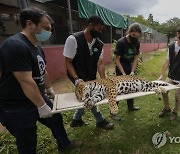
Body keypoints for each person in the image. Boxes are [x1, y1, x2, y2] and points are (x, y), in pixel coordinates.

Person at [0, 7, 82, 153]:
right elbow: (25, 81)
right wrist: (41, 105)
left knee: (55, 119)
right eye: (45, 28)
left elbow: (42, 69)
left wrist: (49, 89)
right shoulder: (16, 46)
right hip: (17, 105)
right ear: (30, 24)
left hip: (36, 97)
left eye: (50, 28)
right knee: (27, 139)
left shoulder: (36, 47)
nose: (49, 32)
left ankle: (64, 145)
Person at [63, 15, 114, 130]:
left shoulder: (99, 44)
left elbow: (100, 64)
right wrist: (76, 79)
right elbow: (68, 62)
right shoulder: (73, 40)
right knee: (90, 95)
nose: (100, 32)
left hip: (90, 74)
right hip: (76, 74)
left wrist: (104, 80)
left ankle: (76, 120)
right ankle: (100, 121)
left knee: (85, 96)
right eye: (98, 29)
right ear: (90, 25)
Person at [110, 23, 142, 120]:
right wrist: (123, 74)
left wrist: (132, 71)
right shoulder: (121, 42)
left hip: (129, 66)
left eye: (137, 36)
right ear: (129, 32)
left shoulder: (137, 42)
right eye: (133, 35)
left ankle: (130, 107)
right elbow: (117, 60)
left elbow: (136, 58)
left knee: (131, 87)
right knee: (119, 90)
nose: (134, 37)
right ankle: (113, 112)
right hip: (121, 66)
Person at [158, 27, 180, 121]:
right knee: (164, 90)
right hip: (172, 75)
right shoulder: (171, 47)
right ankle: (167, 108)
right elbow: (167, 62)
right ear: (177, 34)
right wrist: (162, 75)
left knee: (178, 96)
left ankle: (175, 112)